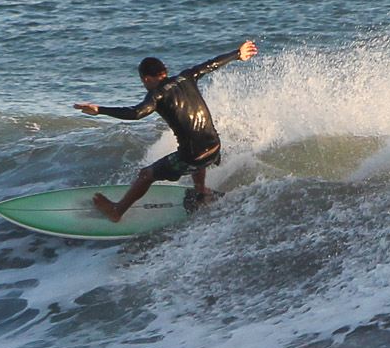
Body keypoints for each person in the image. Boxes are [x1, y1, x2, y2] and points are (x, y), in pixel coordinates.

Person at [74, 40, 257, 222]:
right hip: (215, 147)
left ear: (146, 78)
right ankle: (201, 191)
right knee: (192, 143)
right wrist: (237, 54)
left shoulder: (156, 94)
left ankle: (117, 211)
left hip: (194, 157)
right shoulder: (187, 76)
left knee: (146, 174)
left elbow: (136, 113)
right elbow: (211, 64)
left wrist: (100, 110)